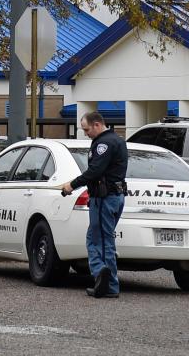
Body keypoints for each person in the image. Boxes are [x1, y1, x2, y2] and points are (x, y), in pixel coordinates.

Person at [61, 111, 128, 299]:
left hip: (104, 198)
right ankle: (108, 283)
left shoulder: (103, 144)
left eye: (87, 129)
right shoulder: (118, 140)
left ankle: (104, 279)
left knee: (99, 240)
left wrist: (71, 185)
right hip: (116, 196)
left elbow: (95, 171)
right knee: (100, 238)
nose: (86, 133)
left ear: (97, 125)